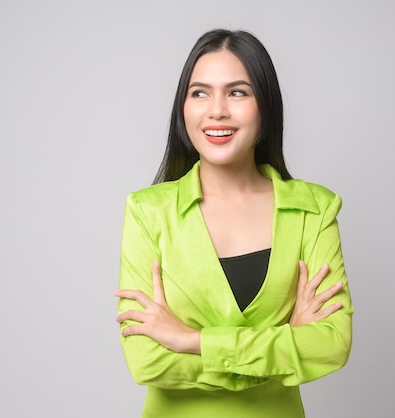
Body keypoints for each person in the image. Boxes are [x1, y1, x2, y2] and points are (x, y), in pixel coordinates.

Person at [114, 28, 353, 418]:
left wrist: (192, 341)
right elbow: (146, 362)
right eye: (200, 92)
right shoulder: (148, 211)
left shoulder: (314, 209)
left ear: (266, 106)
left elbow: (332, 345)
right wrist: (283, 344)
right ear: (183, 108)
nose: (217, 110)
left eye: (238, 92)